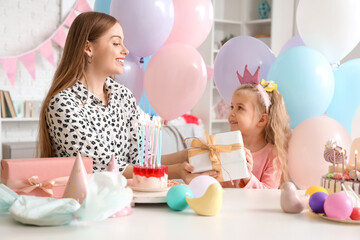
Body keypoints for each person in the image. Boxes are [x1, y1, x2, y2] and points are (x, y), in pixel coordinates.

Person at [37, 12, 216, 183]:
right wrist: (176, 171)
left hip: (127, 199)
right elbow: (104, 169)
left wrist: (189, 154)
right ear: (88, 48)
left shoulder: (122, 96)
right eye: (116, 43)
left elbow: (142, 160)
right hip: (87, 205)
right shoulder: (63, 104)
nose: (125, 50)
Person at [221, 65, 291, 189]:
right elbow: (221, 187)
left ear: (261, 119)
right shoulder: (227, 147)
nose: (231, 113)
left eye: (240, 108)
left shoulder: (273, 155)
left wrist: (247, 177)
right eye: (232, 107)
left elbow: (268, 192)